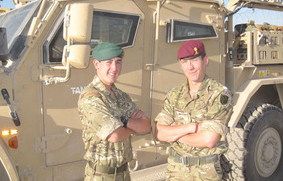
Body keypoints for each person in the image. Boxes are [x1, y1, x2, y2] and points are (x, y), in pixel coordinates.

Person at [155, 40, 233, 180]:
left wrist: (175, 133)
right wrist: (193, 127)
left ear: (205, 60)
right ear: (180, 65)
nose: (190, 67)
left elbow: (209, 139)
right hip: (175, 171)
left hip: (205, 173)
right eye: (184, 62)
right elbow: (159, 133)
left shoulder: (219, 94)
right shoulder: (174, 95)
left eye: (194, 60)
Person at [78, 42, 151, 181]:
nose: (114, 68)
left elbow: (146, 126)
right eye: (109, 62)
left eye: (118, 62)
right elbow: (115, 135)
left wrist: (123, 122)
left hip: (124, 174)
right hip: (101, 176)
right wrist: (132, 125)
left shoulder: (121, 95)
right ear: (96, 64)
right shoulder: (91, 98)